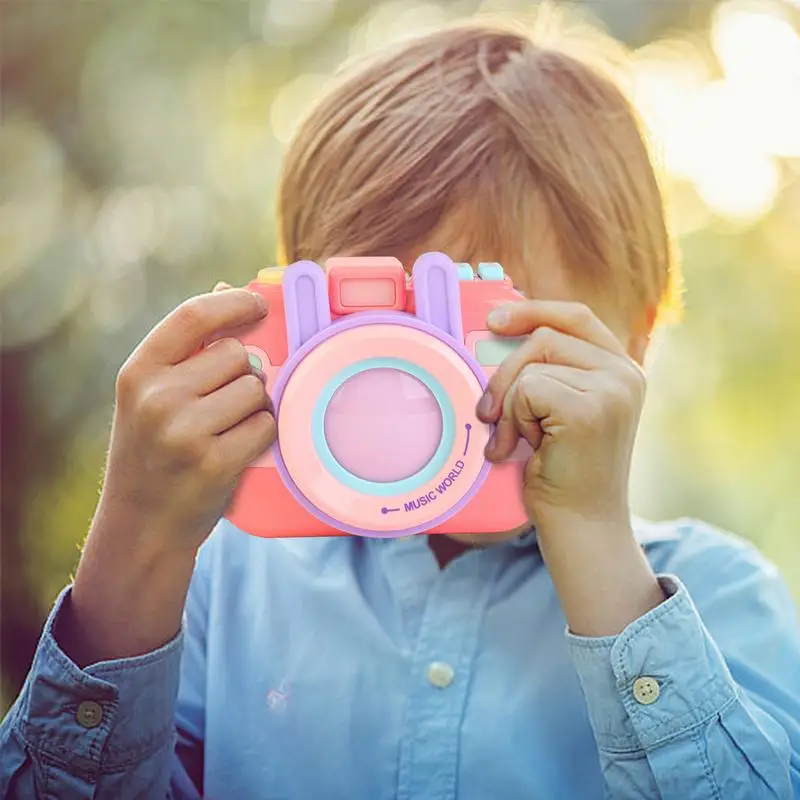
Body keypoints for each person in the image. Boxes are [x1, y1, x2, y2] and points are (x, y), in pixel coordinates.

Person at [2, 13, 799, 800]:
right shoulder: (218, 589)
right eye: (392, 336)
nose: (434, 392)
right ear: (300, 335)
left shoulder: (716, 595)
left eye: (493, 330)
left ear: (635, 347)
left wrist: (592, 536)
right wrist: (136, 540)